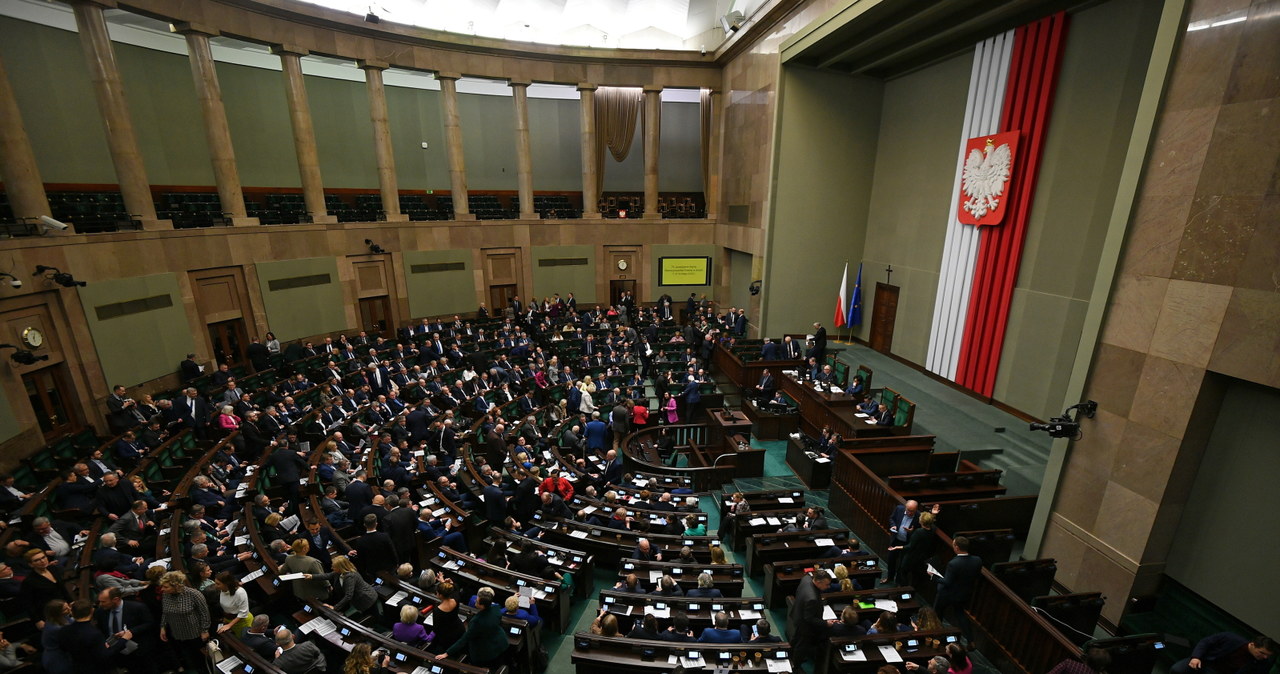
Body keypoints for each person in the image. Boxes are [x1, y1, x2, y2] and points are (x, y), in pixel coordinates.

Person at [931, 536, 983, 644]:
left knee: (938, 613)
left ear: (957, 548)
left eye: (954, 545)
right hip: (964, 593)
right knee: (960, 614)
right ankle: (970, 640)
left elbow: (947, 582)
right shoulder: (977, 560)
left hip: (947, 594)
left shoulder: (954, 563)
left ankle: (937, 637)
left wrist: (933, 576)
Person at [439, 586, 508, 667]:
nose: (475, 601)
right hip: (500, 642)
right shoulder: (497, 608)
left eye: (477, 601)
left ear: (482, 605)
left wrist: (447, 653)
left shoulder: (477, 622)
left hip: (485, 651)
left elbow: (464, 639)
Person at [157, 571, 210, 674]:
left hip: (195, 633)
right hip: (177, 633)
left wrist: (205, 630)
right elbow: (165, 612)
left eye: (166, 587)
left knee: (200, 660)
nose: (162, 589)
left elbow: (205, 613)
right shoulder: (166, 595)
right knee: (188, 657)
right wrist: (162, 627)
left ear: (176, 586)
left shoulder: (194, 594)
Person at [58, 598, 131, 669]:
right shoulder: (94, 634)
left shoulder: (64, 630)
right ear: (92, 611)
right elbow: (106, 656)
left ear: (72, 613)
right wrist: (124, 639)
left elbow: (64, 648)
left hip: (77, 667)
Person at [1169, 634, 1276, 674]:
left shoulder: (1262, 663)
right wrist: (1196, 657)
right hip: (1205, 663)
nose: (1264, 657)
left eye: (1267, 655)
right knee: (1177, 670)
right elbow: (1205, 642)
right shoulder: (1231, 639)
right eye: (1262, 653)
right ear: (1252, 645)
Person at [787, 570, 831, 665]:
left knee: (795, 639)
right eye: (827, 584)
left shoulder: (806, 579)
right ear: (819, 582)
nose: (828, 587)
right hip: (804, 625)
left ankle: (790, 654)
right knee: (801, 645)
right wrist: (825, 623)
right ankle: (796, 665)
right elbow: (809, 618)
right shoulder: (812, 598)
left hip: (797, 612)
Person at [308, 555, 377, 614]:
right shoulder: (338, 572)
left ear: (340, 567)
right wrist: (311, 576)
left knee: (372, 615)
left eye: (334, 567)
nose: (332, 568)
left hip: (366, 599)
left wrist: (334, 607)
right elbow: (326, 575)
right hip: (358, 599)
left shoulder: (350, 576)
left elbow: (348, 596)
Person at [19, 548, 70, 626]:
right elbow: (28, 604)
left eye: (43, 557)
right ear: (31, 564)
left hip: (64, 607)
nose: (42, 561)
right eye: (37, 560)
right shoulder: (29, 581)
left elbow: (62, 588)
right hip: (49, 614)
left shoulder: (52, 569)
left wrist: (71, 601)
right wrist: (37, 621)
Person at [894, 510, 939, 587]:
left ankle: (903, 590)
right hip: (922, 557)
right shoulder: (933, 529)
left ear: (921, 521)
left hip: (911, 557)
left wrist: (898, 547)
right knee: (915, 576)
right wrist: (933, 515)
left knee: (903, 572)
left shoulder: (919, 532)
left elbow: (910, 546)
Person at [280, 538, 327, 603]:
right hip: (314, 593)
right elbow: (322, 578)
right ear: (304, 549)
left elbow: (282, 571)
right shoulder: (313, 562)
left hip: (299, 592)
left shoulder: (289, 558)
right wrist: (329, 586)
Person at [213, 571, 251, 636]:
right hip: (229, 619)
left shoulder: (240, 593)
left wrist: (229, 625)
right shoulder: (222, 590)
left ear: (226, 584)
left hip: (242, 622)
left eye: (218, 584)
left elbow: (243, 612)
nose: (215, 586)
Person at [41, 600, 73, 674]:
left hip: (62, 655)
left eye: (68, 606)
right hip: (57, 660)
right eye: (65, 609)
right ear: (57, 613)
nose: (69, 609)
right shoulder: (55, 628)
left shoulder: (62, 618)